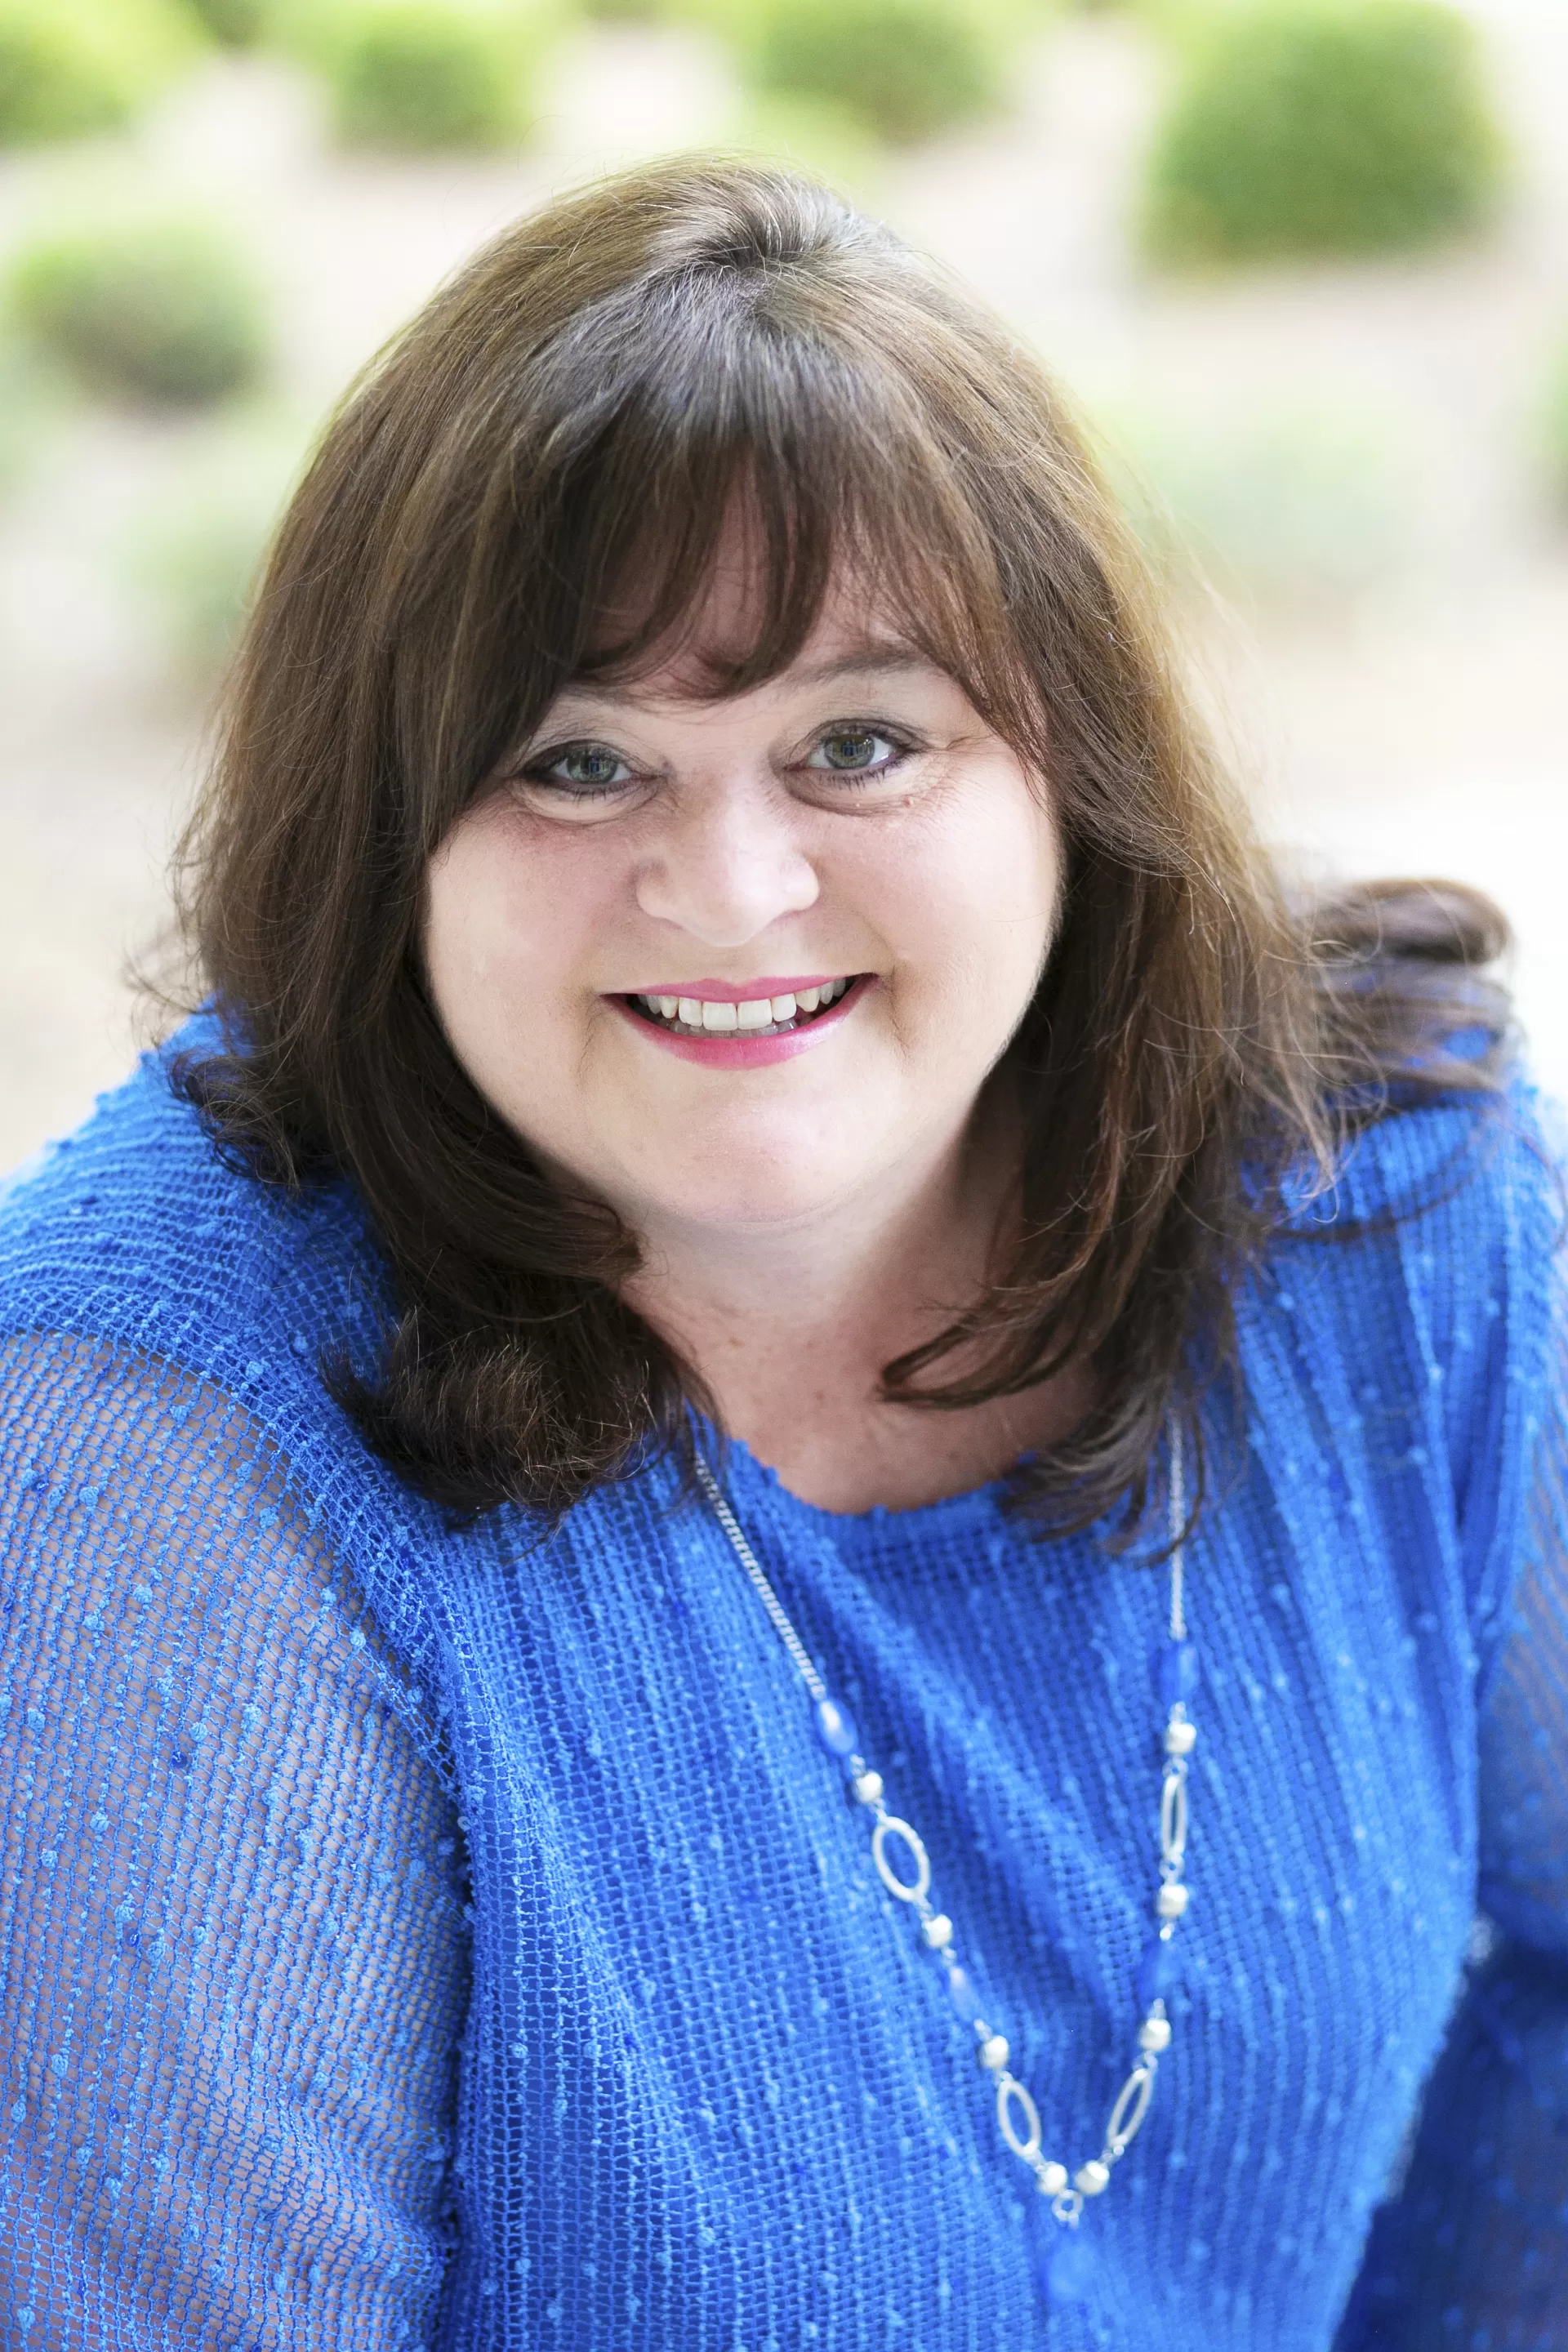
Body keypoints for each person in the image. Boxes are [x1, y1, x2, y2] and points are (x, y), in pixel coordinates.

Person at [0, 155, 1562, 2352]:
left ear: (1067, 772)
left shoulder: (1381, 1193)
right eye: (576, 765)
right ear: (382, 837)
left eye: (856, 742)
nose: (730, 891)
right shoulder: (161, 1444)